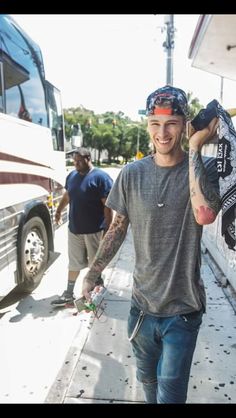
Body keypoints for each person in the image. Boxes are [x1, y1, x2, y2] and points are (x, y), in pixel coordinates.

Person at [75, 85, 221, 403]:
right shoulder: (131, 174)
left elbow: (205, 213)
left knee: (170, 395)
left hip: (182, 311)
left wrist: (195, 148)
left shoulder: (201, 170)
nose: (162, 132)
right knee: (148, 384)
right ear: (147, 125)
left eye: (171, 123)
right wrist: (93, 272)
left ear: (185, 124)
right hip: (141, 310)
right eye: (154, 123)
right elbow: (118, 228)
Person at [51, 147, 113, 307]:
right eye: (74, 161)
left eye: (79, 161)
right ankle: (68, 293)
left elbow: (107, 205)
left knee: (95, 264)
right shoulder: (72, 176)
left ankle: (97, 289)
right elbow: (68, 195)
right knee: (74, 263)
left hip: (94, 230)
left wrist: (108, 228)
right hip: (75, 230)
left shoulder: (101, 178)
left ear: (88, 158)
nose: (76, 164)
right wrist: (58, 211)